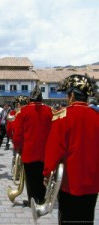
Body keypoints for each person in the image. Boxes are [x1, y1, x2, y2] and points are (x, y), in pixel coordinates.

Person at [43, 74, 99, 224]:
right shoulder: (96, 117)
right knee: (87, 218)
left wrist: (47, 173)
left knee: (68, 219)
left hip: (70, 182)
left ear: (72, 95)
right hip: (93, 182)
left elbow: (54, 150)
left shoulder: (63, 116)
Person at [12, 86, 53, 207]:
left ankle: (32, 200)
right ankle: (41, 198)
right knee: (42, 176)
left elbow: (18, 134)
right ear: (42, 99)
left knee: (30, 177)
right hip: (45, 151)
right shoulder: (50, 110)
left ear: (30, 99)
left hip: (28, 151)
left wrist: (18, 148)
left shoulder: (23, 111)